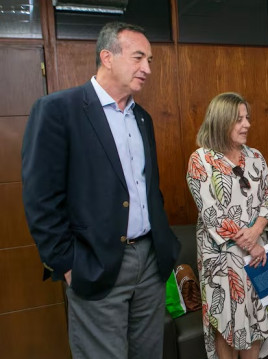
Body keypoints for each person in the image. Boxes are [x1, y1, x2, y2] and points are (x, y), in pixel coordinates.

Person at [21, 22, 180, 358]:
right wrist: (68, 264)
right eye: (139, 58)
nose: (147, 69)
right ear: (107, 57)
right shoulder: (58, 111)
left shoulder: (143, 119)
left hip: (150, 262)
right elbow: (41, 198)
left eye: (149, 60)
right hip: (95, 263)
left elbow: (148, 189)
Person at [186, 92, 268, 359]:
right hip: (221, 260)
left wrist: (257, 233)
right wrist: (249, 242)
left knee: (257, 319)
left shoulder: (256, 157)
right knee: (225, 321)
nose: (247, 124)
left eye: (247, 117)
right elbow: (211, 213)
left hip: (258, 254)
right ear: (220, 121)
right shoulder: (200, 160)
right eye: (238, 119)